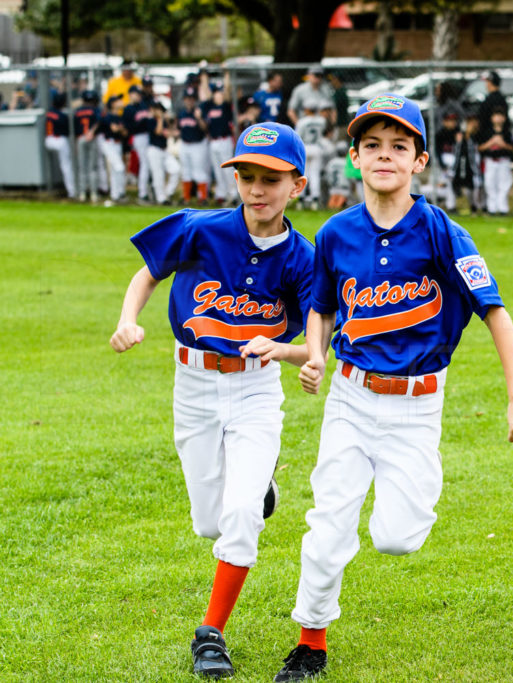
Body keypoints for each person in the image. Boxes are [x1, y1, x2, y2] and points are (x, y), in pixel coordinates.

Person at [272, 94, 513, 683]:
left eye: (399, 146)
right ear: (353, 158)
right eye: (372, 145)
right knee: (327, 528)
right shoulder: (338, 232)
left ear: (419, 160)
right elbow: (319, 309)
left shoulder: (444, 232)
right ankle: (310, 642)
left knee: (396, 538)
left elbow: (494, 312)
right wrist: (315, 353)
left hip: (418, 405)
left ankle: (408, 498)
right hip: (350, 396)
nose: (385, 155)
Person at [109, 122, 314, 679]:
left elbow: (318, 333)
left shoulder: (302, 256)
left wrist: (293, 354)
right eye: (247, 176)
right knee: (210, 523)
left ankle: (211, 633)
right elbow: (147, 274)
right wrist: (128, 320)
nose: (257, 189)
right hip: (193, 386)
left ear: (297, 184)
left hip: (254, 386)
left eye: (272, 178)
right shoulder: (201, 229)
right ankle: (261, 487)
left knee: (241, 514)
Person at [478, 105, 513, 216]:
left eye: (500, 116)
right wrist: (492, 142)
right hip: (490, 161)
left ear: (504, 118)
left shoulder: (507, 132)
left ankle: (503, 208)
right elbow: (480, 148)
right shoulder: (487, 132)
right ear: (492, 118)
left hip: (503, 160)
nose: (498, 118)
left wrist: (502, 144)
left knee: (504, 184)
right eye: (496, 116)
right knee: (490, 184)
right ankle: (492, 208)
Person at [203, 83, 237, 205]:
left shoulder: (225, 106)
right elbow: (205, 93)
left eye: (220, 92)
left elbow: (228, 93)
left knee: (227, 169)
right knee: (217, 169)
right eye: (217, 92)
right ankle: (221, 194)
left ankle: (233, 194)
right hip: (213, 141)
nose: (219, 95)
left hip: (224, 140)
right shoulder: (209, 107)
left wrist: (227, 73)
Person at [295, 99, 330, 210]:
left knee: (303, 174)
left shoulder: (302, 121)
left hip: (305, 147)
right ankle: (315, 199)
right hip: (316, 147)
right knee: (314, 174)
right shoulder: (321, 120)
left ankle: (301, 199)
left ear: (308, 109)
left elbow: (297, 137)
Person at [178, 87, 210, 205]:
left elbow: (205, 128)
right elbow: (179, 129)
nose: (189, 101)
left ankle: (203, 198)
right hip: (185, 144)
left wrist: (199, 118)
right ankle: (186, 198)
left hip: (198, 144)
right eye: (187, 99)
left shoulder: (199, 111)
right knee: (186, 171)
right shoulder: (182, 113)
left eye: (192, 99)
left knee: (199, 172)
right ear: (184, 100)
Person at [121, 85, 153, 203]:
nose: (138, 96)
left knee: (148, 164)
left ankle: (146, 191)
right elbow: (128, 128)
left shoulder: (144, 105)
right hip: (138, 137)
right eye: (135, 93)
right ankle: (142, 192)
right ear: (130, 94)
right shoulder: (128, 109)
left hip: (148, 136)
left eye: (139, 94)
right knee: (145, 164)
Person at [145, 102, 181, 205]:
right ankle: (161, 198)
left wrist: (168, 122)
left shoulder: (165, 122)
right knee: (158, 175)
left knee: (176, 169)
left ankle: (167, 193)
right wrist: (160, 119)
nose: (159, 112)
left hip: (164, 150)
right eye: (157, 109)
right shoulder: (151, 120)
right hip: (154, 150)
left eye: (160, 110)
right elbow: (158, 132)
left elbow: (171, 133)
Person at [45, 91, 76, 198]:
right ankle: (72, 192)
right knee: (66, 166)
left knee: (59, 164)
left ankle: (50, 186)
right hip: (59, 140)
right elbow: (68, 132)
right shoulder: (62, 116)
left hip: (48, 140)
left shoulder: (49, 112)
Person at [97, 94, 127, 204]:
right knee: (119, 167)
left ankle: (116, 195)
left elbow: (124, 132)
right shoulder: (108, 116)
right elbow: (114, 129)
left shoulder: (120, 117)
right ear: (113, 104)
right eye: (118, 101)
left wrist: (120, 129)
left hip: (117, 144)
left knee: (116, 170)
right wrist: (120, 129)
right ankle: (120, 193)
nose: (121, 102)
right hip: (109, 143)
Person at [453, 110, 483, 216]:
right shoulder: (461, 135)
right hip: (464, 164)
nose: (472, 124)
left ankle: (478, 207)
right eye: (469, 122)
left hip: (475, 164)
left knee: (476, 185)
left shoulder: (478, 135)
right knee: (460, 185)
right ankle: (459, 207)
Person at [73, 89, 101, 202]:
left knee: (82, 167)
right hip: (91, 138)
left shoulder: (78, 111)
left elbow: (75, 129)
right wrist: (92, 132)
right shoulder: (95, 110)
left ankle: (82, 193)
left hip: (81, 138)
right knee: (92, 167)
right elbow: (99, 121)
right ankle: (93, 193)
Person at [435, 111, 461, 211]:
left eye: (453, 121)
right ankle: (447, 205)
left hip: (454, 161)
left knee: (451, 184)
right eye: (449, 121)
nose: (452, 123)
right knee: (444, 184)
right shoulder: (440, 133)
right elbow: (437, 151)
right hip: (443, 161)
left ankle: (451, 205)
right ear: (444, 122)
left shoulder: (458, 133)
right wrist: (442, 165)